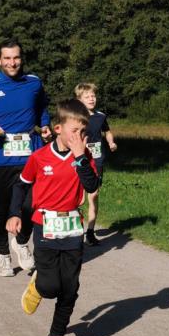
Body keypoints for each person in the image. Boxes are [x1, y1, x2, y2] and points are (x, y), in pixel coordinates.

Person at [7, 99, 100, 336]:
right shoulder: (39, 157)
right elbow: (21, 185)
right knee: (50, 286)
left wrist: (80, 157)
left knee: (70, 288)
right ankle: (38, 288)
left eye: (83, 131)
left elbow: (92, 186)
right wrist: (14, 213)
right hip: (45, 226)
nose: (79, 136)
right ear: (58, 128)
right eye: (74, 131)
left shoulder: (84, 156)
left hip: (72, 229)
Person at [0, 40, 52, 277]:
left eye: (16, 58)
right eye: (7, 58)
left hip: (30, 156)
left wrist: (45, 125)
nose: (12, 63)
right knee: (1, 209)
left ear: (21, 58)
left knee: (32, 204)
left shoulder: (34, 82)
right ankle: (3, 254)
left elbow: (41, 107)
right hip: (0, 158)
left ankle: (22, 241)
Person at [74, 82, 117, 245]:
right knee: (78, 198)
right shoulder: (76, 117)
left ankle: (90, 232)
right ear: (79, 100)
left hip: (97, 159)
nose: (92, 99)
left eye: (93, 96)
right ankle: (74, 229)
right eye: (87, 97)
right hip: (79, 159)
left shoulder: (100, 116)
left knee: (94, 195)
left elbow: (107, 131)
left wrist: (111, 142)